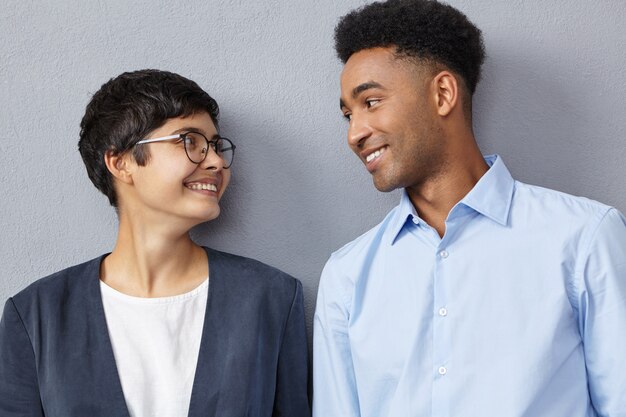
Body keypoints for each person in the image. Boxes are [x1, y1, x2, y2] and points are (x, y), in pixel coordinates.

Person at [313, 1, 626, 416]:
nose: (355, 133)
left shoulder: (584, 238)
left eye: (370, 102)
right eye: (347, 114)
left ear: (443, 94)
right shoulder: (346, 277)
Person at [0, 69, 310, 417]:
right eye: (189, 141)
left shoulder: (271, 299)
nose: (216, 161)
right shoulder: (35, 316)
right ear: (121, 163)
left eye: (215, 145)